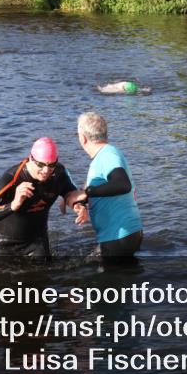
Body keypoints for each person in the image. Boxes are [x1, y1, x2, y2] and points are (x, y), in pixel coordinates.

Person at [0, 137, 85, 261]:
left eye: (51, 165)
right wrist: (13, 205)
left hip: (36, 242)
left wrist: (77, 204)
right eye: (40, 165)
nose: (46, 171)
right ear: (31, 158)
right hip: (2, 242)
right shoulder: (12, 178)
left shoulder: (59, 173)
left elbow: (69, 192)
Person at [73, 112, 143, 263]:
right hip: (123, 234)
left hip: (119, 236)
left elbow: (122, 184)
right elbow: (99, 186)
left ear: (83, 138)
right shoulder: (105, 155)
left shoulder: (107, 155)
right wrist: (82, 202)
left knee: (97, 281)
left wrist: (87, 193)